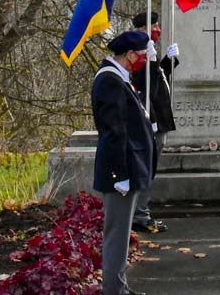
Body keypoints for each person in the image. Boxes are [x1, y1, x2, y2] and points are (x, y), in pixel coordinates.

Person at [92, 30, 154, 295]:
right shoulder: (110, 81)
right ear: (129, 56)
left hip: (129, 167)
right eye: (141, 56)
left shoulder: (120, 78)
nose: (143, 60)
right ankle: (114, 291)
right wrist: (120, 175)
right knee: (117, 237)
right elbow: (114, 130)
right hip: (121, 172)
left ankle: (119, 288)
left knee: (120, 235)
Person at [130, 11, 179, 234]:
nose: (158, 29)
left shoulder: (148, 52)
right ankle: (140, 214)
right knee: (146, 168)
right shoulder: (138, 53)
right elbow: (144, 87)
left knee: (150, 168)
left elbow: (158, 83)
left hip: (159, 119)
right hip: (151, 120)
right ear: (143, 28)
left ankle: (141, 212)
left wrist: (167, 62)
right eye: (154, 25)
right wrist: (150, 63)